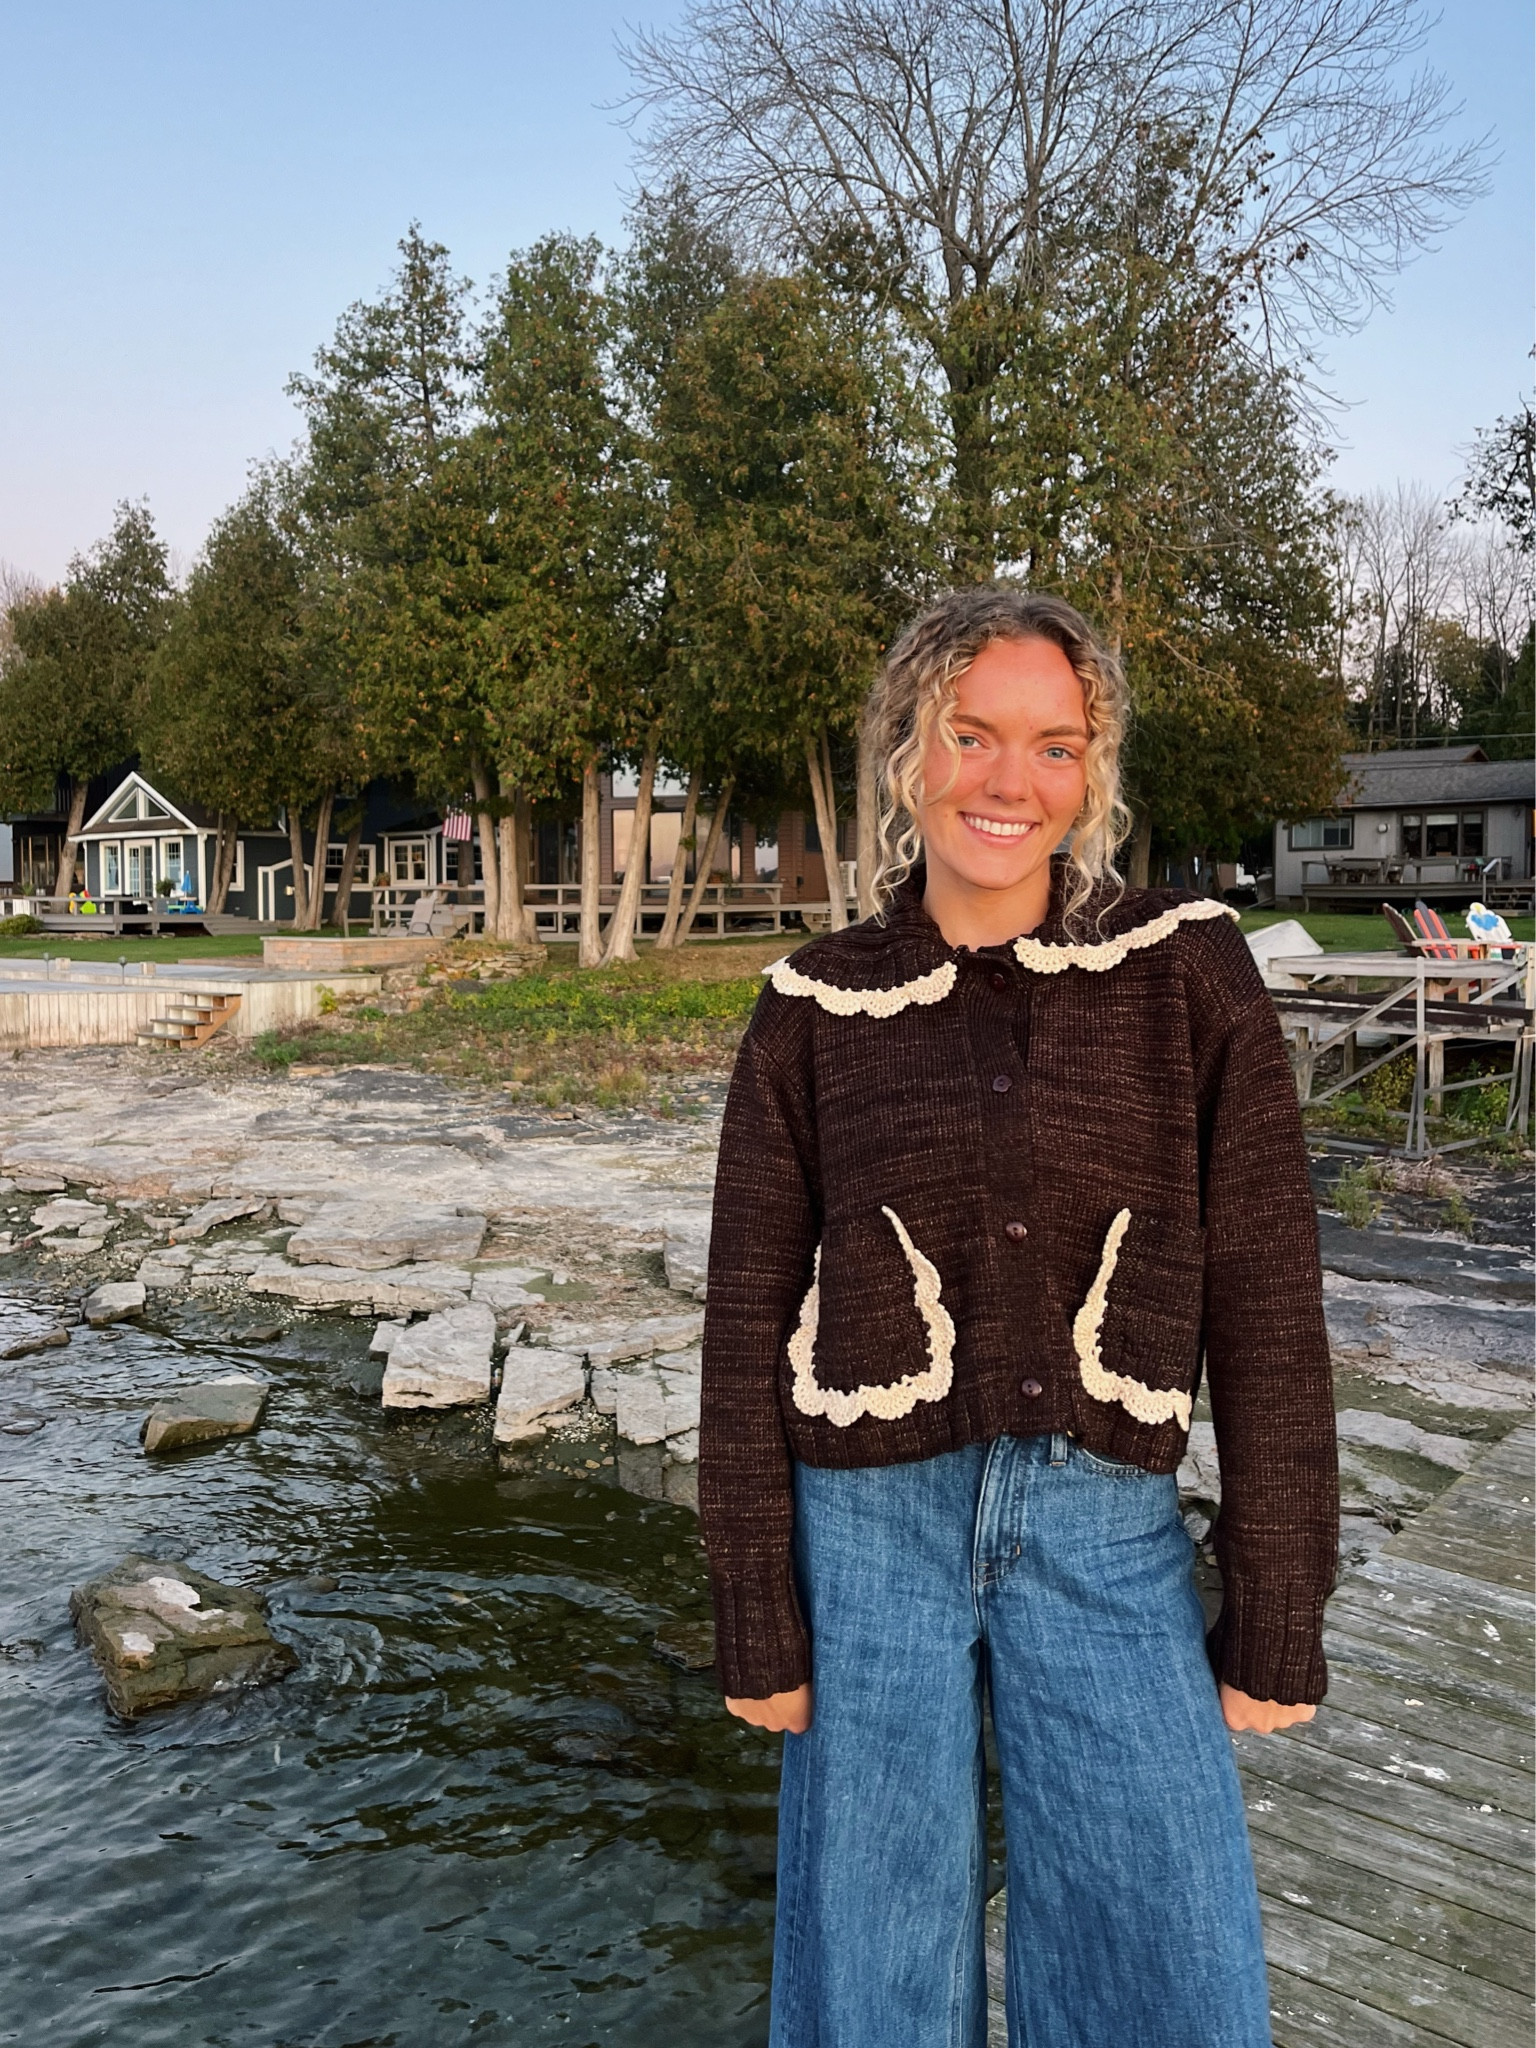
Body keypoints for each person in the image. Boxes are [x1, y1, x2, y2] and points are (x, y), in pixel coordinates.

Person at [699, 589, 1338, 2048]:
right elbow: (743, 1322)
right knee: (869, 1981)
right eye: (972, 736)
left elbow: (1266, 1290)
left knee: (1168, 1970)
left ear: (1095, 769)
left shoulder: (1189, 970)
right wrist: (754, 1603)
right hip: (861, 1544)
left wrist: (1280, 1595)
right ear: (908, 752)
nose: (1009, 783)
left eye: (1055, 746)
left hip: (1110, 1533)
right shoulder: (809, 1004)